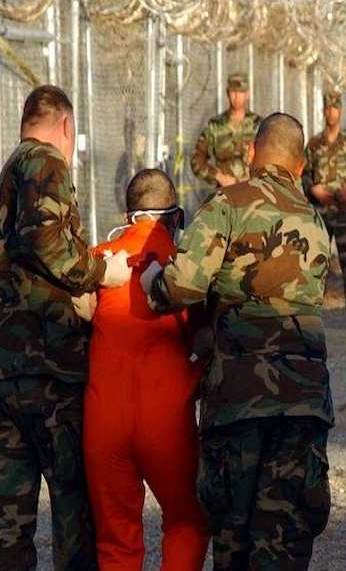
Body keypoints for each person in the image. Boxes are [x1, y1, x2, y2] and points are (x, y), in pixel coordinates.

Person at [142, 113, 333, 570]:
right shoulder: (315, 219)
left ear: (251, 153)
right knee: (285, 534)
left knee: (234, 532)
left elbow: (183, 286)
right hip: (302, 397)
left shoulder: (226, 205)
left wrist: (152, 279)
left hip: (239, 396)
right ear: (301, 165)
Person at [0, 85, 132, 570]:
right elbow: (47, 241)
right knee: (75, 515)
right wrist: (101, 274)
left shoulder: (8, 176)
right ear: (67, 127)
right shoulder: (46, 161)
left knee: (8, 531)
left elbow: (2, 250)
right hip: (44, 367)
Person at [83, 169, 209, 570]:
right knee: (186, 519)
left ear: (127, 214)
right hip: (166, 421)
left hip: (104, 422)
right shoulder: (185, 270)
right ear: (175, 217)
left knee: (116, 538)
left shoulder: (97, 261)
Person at [303, 90, 346, 329]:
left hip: (344, 212)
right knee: (315, 264)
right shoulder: (313, 145)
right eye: (328, 108)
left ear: (340, 111)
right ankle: (312, 314)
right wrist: (313, 190)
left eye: (335, 108)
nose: (331, 112)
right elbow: (303, 175)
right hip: (320, 214)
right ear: (324, 111)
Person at [191, 72, 263, 188]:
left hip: (253, 191)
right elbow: (197, 160)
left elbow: (269, 158)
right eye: (233, 92)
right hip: (225, 192)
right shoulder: (216, 126)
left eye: (241, 92)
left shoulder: (259, 125)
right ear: (227, 93)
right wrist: (219, 177)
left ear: (247, 94)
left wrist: (254, 177)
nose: (236, 97)